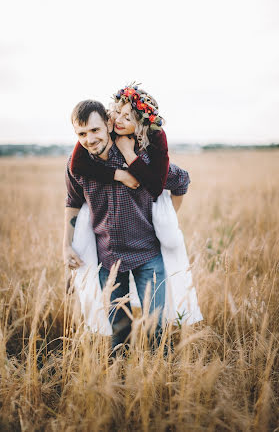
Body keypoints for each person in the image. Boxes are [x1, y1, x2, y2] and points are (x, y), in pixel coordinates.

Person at [63, 99, 192, 358]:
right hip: (108, 259)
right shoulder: (77, 166)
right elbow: (72, 203)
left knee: (156, 330)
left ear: (109, 124)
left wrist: (168, 220)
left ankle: (161, 384)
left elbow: (182, 180)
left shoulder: (140, 158)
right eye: (82, 134)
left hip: (148, 256)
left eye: (96, 130)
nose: (89, 139)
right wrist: (65, 245)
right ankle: (121, 382)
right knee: (119, 333)